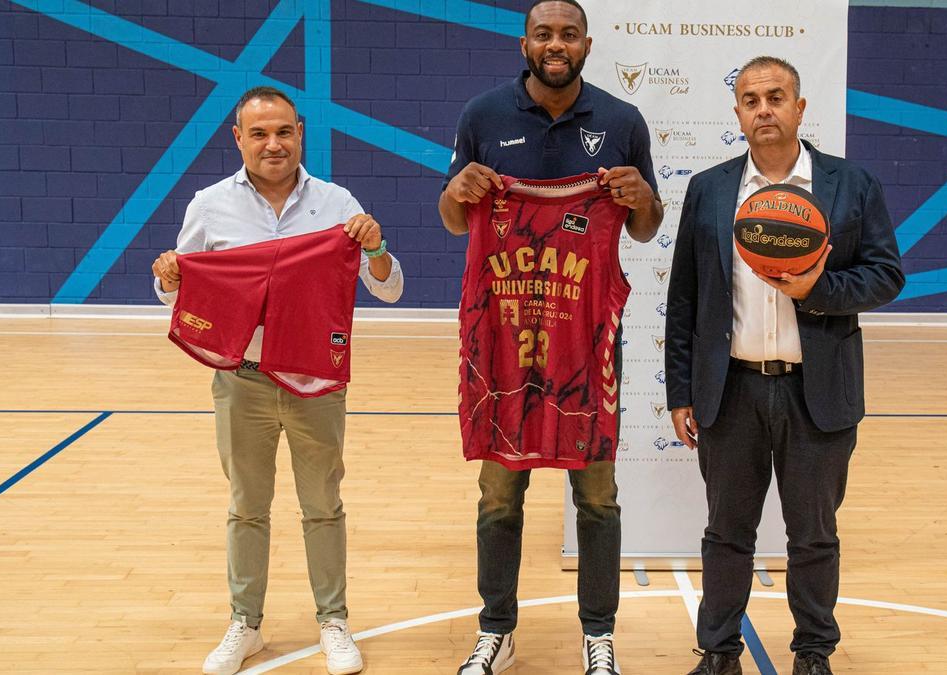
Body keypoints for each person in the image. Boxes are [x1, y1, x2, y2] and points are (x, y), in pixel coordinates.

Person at [438, 1, 664, 673]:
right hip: (503, 345)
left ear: (587, 44)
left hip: (584, 350)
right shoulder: (483, 116)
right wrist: (459, 188)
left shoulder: (622, 123)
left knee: (597, 494)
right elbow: (455, 219)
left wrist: (638, 197)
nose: (556, 44)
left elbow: (647, 227)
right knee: (499, 494)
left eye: (568, 34)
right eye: (545, 33)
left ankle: (599, 633)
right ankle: (497, 629)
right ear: (525, 43)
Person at [151, 86, 404, 675]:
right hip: (242, 380)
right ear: (238, 138)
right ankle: (246, 623)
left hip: (316, 378)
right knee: (247, 506)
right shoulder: (209, 205)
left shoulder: (338, 202)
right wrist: (167, 276)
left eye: (284, 131)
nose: (273, 144)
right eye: (259, 133)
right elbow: (179, 285)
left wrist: (377, 247)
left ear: (301, 133)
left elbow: (387, 287)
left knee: (322, 504)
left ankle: (333, 622)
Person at [665, 56, 904, 675]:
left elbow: (886, 276)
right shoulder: (710, 189)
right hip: (732, 390)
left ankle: (814, 654)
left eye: (776, 96)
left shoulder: (851, 186)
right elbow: (684, 300)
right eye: (750, 99)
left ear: (800, 108)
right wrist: (680, 390)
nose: (763, 108)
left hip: (816, 392)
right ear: (737, 113)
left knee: (814, 536)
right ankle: (718, 653)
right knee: (725, 534)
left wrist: (818, 290)